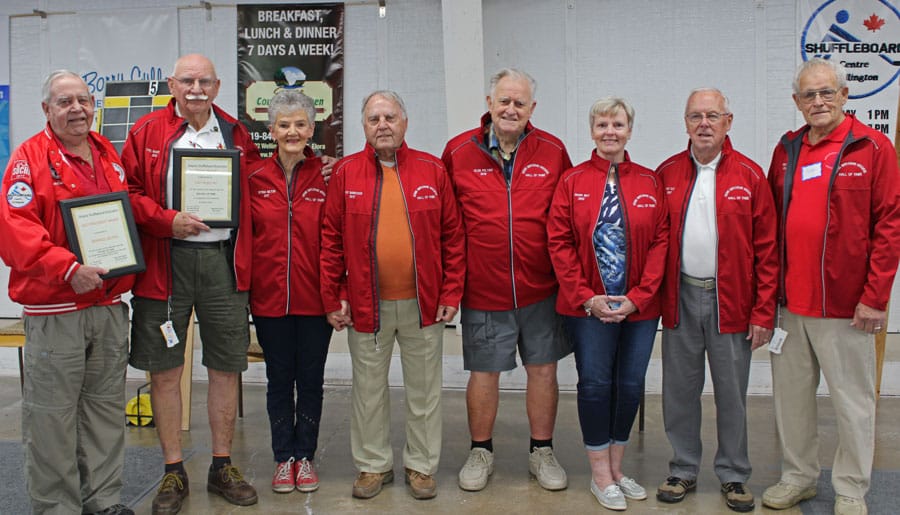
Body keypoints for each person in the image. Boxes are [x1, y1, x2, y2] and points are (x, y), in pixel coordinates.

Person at [121, 53, 261, 514]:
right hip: (166, 263)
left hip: (224, 263)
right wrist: (166, 220)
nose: (196, 88)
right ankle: (172, 470)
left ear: (218, 86)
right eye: (187, 81)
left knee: (226, 366)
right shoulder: (145, 134)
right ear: (172, 85)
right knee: (164, 370)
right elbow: (128, 196)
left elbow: (260, 186)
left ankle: (221, 465)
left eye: (204, 81)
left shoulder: (237, 134)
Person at [763, 58, 900, 515]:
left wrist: (875, 298)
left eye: (826, 93)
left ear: (844, 95)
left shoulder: (873, 148)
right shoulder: (786, 150)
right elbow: (769, 228)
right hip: (790, 306)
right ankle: (798, 477)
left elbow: (890, 226)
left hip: (847, 307)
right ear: (796, 102)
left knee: (853, 405)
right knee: (792, 403)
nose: (817, 102)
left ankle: (850, 488)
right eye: (808, 95)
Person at [0, 70, 135, 514]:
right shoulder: (28, 160)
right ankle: (57, 508)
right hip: (56, 310)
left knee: (105, 413)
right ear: (46, 110)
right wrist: (68, 268)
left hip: (108, 306)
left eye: (83, 99)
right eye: (64, 102)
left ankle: (104, 502)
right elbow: (16, 231)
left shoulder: (105, 153)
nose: (76, 108)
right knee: (51, 419)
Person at [320, 90, 465, 501]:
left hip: (424, 304)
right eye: (373, 119)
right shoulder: (346, 173)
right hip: (366, 304)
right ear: (363, 127)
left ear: (405, 121)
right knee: (367, 390)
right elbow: (330, 240)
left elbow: (453, 236)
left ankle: (421, 466)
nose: (382, 125)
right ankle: (373, 466)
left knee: (424, 392)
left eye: (389, 117)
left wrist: (451, 289)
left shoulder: (433, 170)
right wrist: (334, 296)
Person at [442, 68, 572, 493]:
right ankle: (481, 451)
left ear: (532, 108)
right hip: (484, 289)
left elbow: (570, 216)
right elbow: (446, 223)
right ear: (489, 103)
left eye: (520, 103)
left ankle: (541, 451)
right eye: (504, 101)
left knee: (543, 372)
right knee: (484, 373)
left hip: (541, 289)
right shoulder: (459, 152)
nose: (511, 109)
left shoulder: (553, 151)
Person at [655, 88, 778, 513]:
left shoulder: (750, 175)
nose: (703, 123)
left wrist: (764, 312)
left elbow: (768, 250)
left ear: (729, 121)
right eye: (695, 116)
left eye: (712, 115)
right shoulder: (666, 173)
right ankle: (683, 467)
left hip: (733, 301)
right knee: (679, 390)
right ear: (685, 123)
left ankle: (733, 473)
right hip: (681, 299)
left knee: (731, 392)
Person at [547, 97, 668, 511]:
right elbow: (558, 242)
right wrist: (587, 298)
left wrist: (638, 298)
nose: (610, 131)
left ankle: (617, 469)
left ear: (629, 130)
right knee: (596, 384)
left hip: (639, 310)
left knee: (630, 385)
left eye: (618, 124)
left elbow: (660, 244)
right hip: (588, 309)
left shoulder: (650, 182)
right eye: (602, 124)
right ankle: (599, 474)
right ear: (592, 131)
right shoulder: (572, 181)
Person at [246, 89, 332, 494]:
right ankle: (284, 458)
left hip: (316, 302)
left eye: (300, 124)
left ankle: (306, 456)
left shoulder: (330, 176)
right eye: (284, 125)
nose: (292, 131)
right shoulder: (253, 179)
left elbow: (339, 242)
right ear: (271, 130)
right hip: (268, 301)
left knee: (311, 379)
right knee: (279, 379)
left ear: (312, 129)